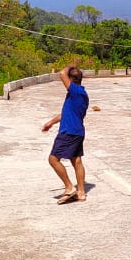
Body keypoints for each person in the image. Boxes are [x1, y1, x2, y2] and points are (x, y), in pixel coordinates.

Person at [41, 65, 89, 203]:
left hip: (69, 132)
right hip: (78, 131)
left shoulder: (75, 91)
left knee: (53, 159)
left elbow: (62, 73)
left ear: (71, 79)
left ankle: (69, 187)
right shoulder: (81, 94)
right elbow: (67, 113)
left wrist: (71, 65)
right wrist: (51, 122)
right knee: (76, 161)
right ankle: (81, 193)